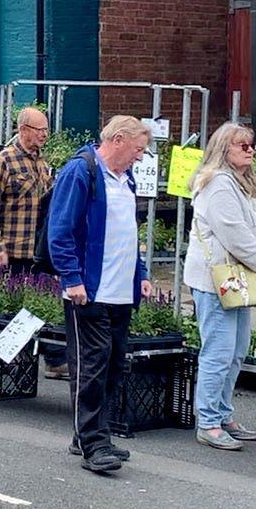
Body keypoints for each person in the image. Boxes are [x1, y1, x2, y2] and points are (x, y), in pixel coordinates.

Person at [48, 115, 155, 474]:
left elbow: (129, 232)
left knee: (112, 364)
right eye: (138, 149)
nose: (140, 157)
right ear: (119, 140)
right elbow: (59, 231)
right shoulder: (81, 172)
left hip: (120, 291)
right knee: (90, 367)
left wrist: (139, 273)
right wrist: (72, 278)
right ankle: (93, 443)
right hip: (90, 290)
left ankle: (93, 434)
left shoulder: (126, 178)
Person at [185, 122, 256, 451]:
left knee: (237, 350)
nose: (251, 151)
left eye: (252, 146)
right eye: (243, 146)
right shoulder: (217, 184)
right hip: (216, 280)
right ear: (223, 150)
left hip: (238, 278)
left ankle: (223, 413)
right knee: (218, 352)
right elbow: (234, 234)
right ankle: (208, 421)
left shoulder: (243, 184)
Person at [0, 106, 63, 377]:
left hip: (39, 253)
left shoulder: (42, 164)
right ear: (23, 129)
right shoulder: (4, 161)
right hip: (13, 251)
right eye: (39, 129)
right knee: (12, 310)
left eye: (46, 129)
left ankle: (52, 361)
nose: (44, 134)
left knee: (39, 308)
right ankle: (7, 366)